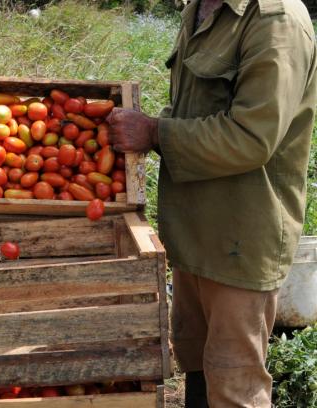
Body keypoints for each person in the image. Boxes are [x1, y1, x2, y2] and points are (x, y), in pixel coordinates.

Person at [107, 0, 317, 406]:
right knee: (198, 365)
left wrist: (154, 134)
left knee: (234, 383)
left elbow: (252, 137)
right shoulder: (200, 9)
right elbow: (191, 108)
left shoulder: (276, 21)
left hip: (240, 239)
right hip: (194, 233)